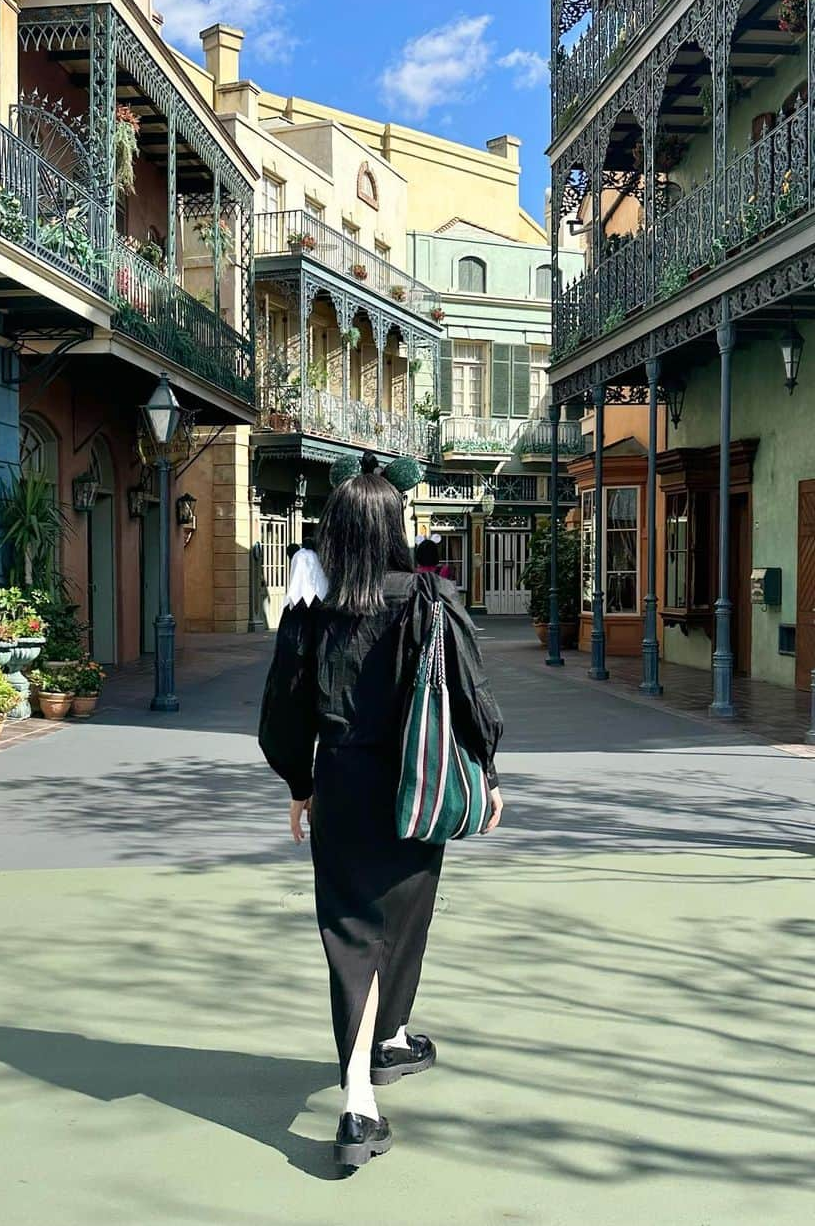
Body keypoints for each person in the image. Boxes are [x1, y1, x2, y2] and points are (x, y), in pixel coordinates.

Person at [258, 452, 504, 1171]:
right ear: (395, 525)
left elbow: (283, 709)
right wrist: (486, 774)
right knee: (403, 918)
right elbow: (470, 696)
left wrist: (299, 785)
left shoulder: (312, 607)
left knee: (351, 931)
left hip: (341, 782)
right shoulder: (429, 599)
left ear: (335, 529)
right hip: (417, 782)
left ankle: (375, 1063)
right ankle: (368, 1078)